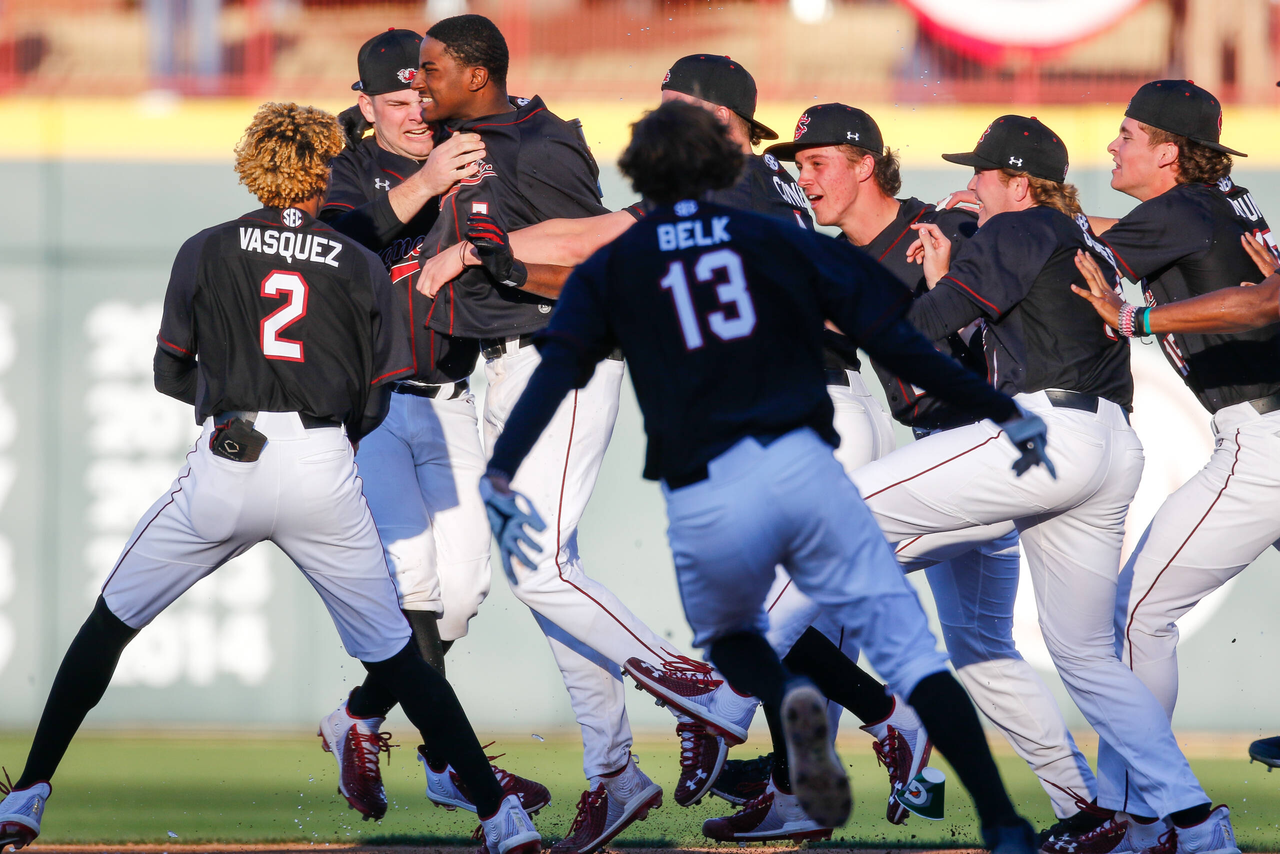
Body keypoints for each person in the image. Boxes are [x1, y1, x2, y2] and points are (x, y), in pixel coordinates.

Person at [479, 98, 1046, 854]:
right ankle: (804, 777)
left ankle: (742, 713)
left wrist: (494, 255)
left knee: (758, 626)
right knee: (798, 622)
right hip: (825, 417)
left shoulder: (727, 193)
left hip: (803, 426)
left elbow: (599, 260)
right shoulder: (765, 206)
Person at [0, 103, 541, 854]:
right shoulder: (357, 261)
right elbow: (379, 390)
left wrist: (225, 405)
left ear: (252, 165)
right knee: (402, 662)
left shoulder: (208, 247)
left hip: (231, 454)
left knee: (110, 626)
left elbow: (168, 371)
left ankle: (26, 796)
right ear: (322, 169)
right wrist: (327, 440)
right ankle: (502, 819)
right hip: (322, 459)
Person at [409, 18, 759, 854]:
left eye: (431, 70)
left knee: (544, 567)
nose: (420, 85)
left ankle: (699, 687)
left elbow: (597, 256)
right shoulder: (462, 144)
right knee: (542, 578)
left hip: (561, 356)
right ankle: (614, 773)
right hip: (507, 367)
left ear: (480, 72)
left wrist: (475, 256)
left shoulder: (540, 144)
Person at [846, 112, 1239, 854]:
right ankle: (1193, 824)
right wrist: (946, 277)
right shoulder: (1071, 236)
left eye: (981, 175)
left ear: (1019, 183)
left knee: (839, 512)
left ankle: (866, 710)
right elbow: (991, 336)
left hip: (1047, 437)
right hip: (1112, 447)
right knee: (1087, 657)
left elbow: (922, 328)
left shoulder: (1013, 229)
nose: (970, 188)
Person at [731, 103, 1100, 837]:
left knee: (801, 573)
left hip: (986, 452)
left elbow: (1027, 276)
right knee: (982, 651)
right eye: (797, 165)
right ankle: (1090, 810)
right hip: (956, 463)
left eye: (819, 162)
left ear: (866, 163)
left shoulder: (952, 227)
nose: (805, 179)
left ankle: (739, 732)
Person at [313, 27, 548, 822]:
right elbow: (339, 243)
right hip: (374, 406)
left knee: (464, 593)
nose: (415, 111)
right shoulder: (345, 169)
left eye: (423, 92)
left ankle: (360, 714)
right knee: (411, 584)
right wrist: (422, 187)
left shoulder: (471, 145)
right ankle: (453, 763)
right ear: (364, 104)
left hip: (453, 399)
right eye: (395, 100)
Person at [1056, 80, 1275, 854]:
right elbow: (1109, 236)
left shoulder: (1184, 211)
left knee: (1135, 616)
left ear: (1169, 151)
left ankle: (1141, 817)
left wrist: (1135, 317)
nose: (1113, 146)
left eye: (1126, 134)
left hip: (1264, 442)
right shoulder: (1214, 203)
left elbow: (1256, 304)